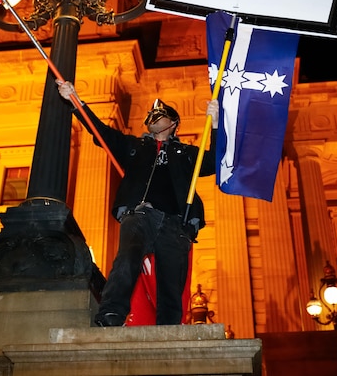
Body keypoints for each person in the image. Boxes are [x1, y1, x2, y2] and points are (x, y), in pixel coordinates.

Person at [56, 79, 219, 326]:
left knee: (171, 281)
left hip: (176, 222)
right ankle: (111, 313)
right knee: (126, 259)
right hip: (141, 214)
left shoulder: (186, 154)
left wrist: (215, 125)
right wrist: (75, 101)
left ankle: (168, 328)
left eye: (160, 114)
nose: (153, 117)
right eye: (151, 115)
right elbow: (100, 131)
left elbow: (215, 162)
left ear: (173, 123)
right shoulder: (134, 147)